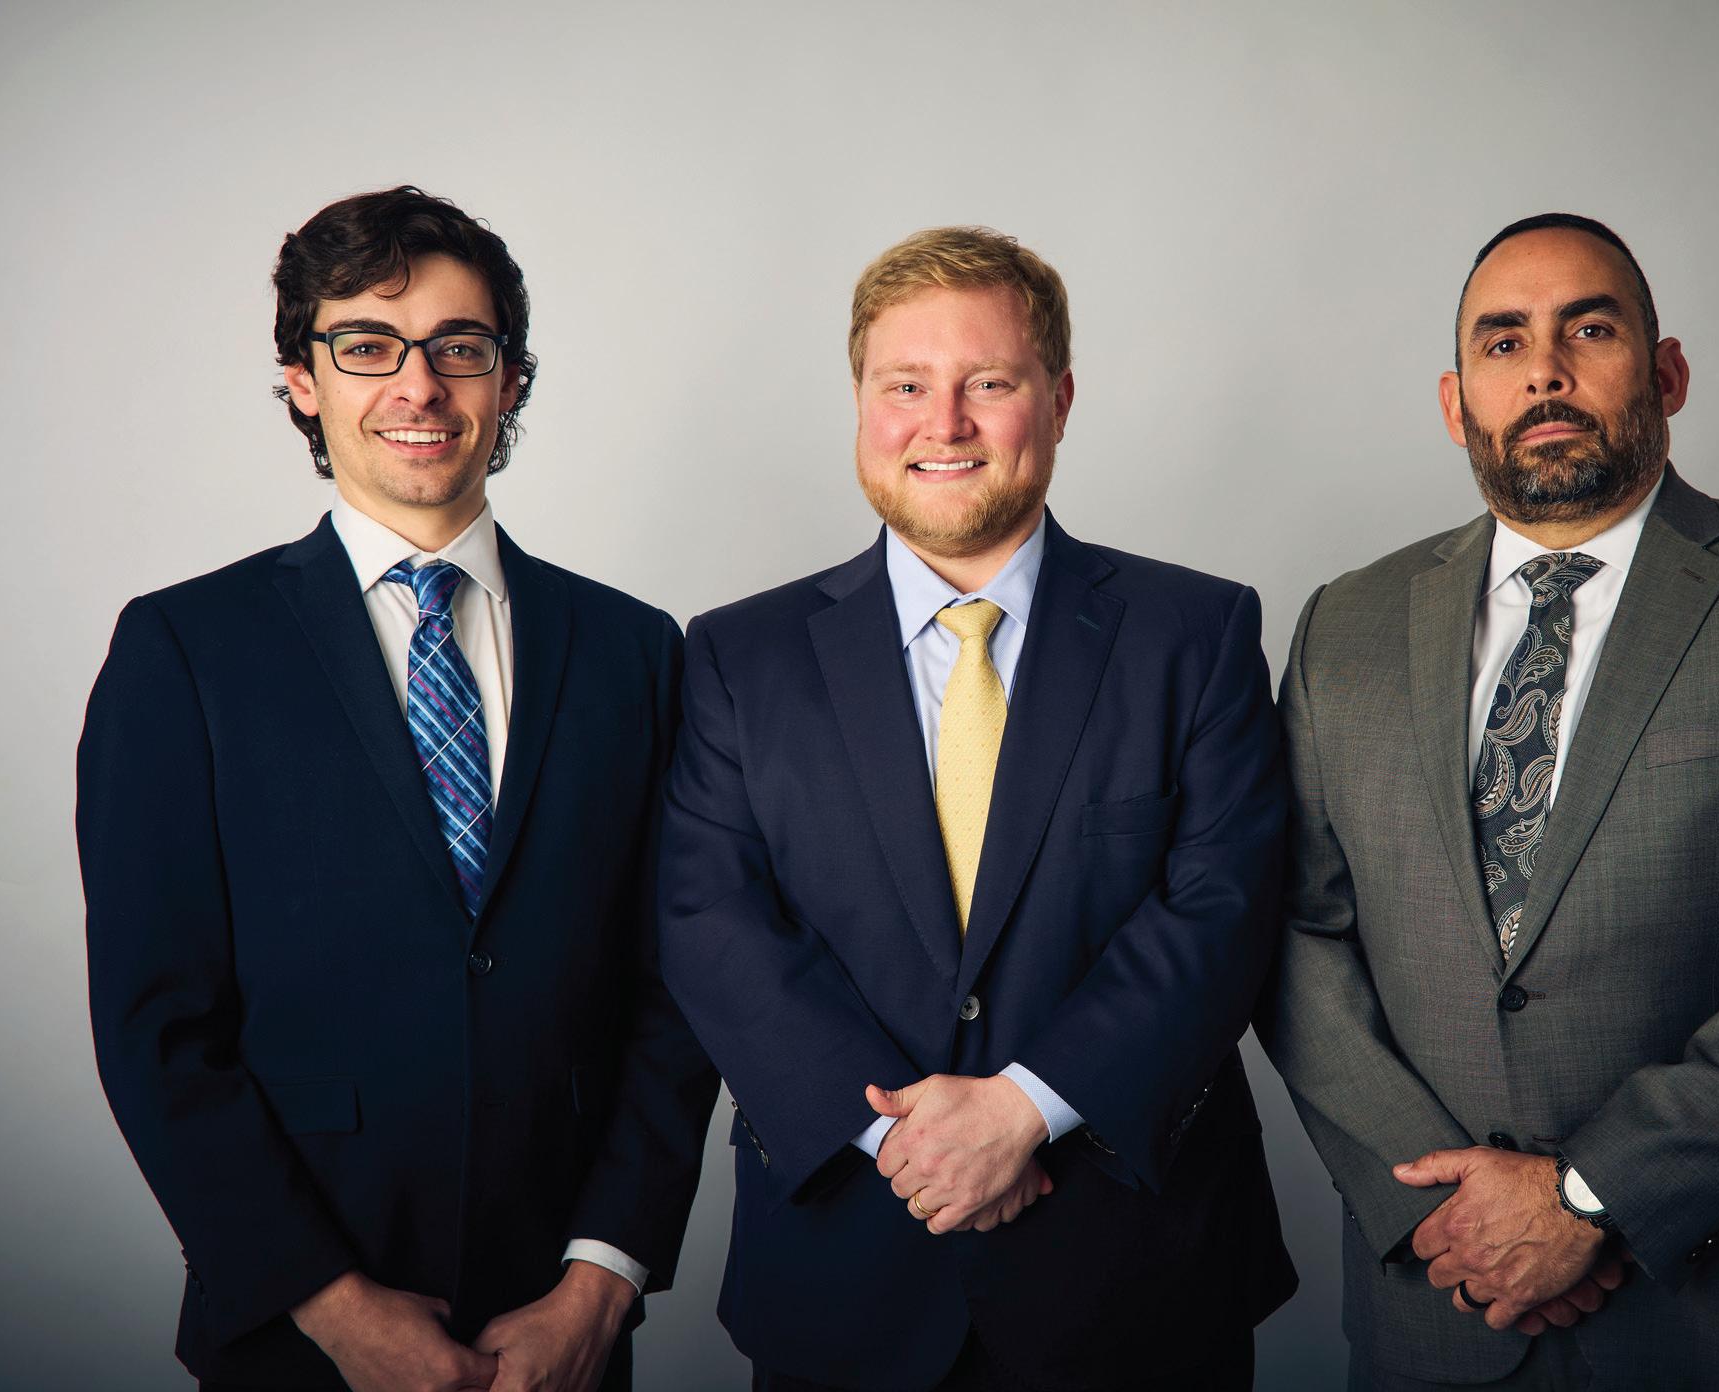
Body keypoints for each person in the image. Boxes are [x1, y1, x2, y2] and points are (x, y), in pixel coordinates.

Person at [1260, 212, 1719, 1391]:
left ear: (1668, 372)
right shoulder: (1345, 626)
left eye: (1589, 330)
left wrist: (1595, 1195)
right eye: (1503, 343)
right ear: (1456, 404)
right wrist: (1450, 1207)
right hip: (1443, 1306)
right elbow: (1296, 935)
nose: (1544, 369)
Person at [78, 186, 718, 1392]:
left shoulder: (635, 652)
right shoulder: (186, 653)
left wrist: (601, 1284)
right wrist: (330, 1306)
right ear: (301, 380)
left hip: (563, 1326)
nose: (419, 387)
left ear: (509, 381)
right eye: (367, 346)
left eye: (459, 349)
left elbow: (679, 992)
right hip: (296, 1331)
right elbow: (157, 1027)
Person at [657, 226, 1295, 1390]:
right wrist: (901, 1137)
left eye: (988, 384)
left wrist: (1026, 1111)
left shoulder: (1195, 635)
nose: (942, 424)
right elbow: (713, 921)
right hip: (848, 1265)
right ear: (861, 403)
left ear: (1058, 400)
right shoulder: (740, 657)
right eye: (905, 385)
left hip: (1136, 1276)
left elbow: (1223, 908)